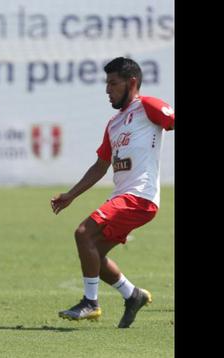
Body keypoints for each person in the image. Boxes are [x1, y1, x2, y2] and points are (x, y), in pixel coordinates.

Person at [51, 57, 174, 328]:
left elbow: (173, 121)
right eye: (106, 83)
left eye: (113, 83)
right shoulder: (114, 123)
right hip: (123, 197)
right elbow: (100, 166)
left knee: (83, 233)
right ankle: (133, 295)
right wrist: (71, 195)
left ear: (131, 83)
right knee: (93, 252)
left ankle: (90, 303)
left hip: (140, 196)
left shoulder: (149, 107)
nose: (108, 90)